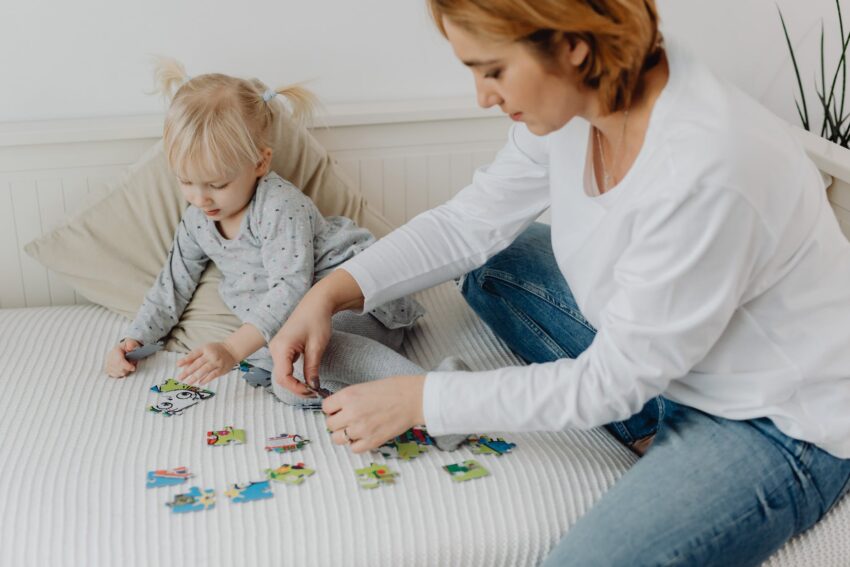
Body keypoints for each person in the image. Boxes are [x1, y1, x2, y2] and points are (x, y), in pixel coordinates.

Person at [269, 0, 850, 564]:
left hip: (773, 420)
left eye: (493, 71)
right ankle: (651, 429)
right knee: (493, 260)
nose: (482, 97)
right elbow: (470, 223)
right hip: (668, 356)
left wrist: (422, 399)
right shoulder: (586, 103)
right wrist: (328, 292)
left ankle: (668, 442)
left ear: (573, 46)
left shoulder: (707, 166)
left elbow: (611, 382)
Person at [102, 58, 435, 409]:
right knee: (287, 385)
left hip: (355, 303)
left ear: (260, 163)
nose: (201, 198)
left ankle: (430, 393)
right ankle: (401, 388)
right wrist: (135, 338)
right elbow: (171, 286)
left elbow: (291, 287)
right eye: (186, 181)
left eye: (217, 184)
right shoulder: (196, 222)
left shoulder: (277, 204)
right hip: (289, 330)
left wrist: (233, 348)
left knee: (302, 353)